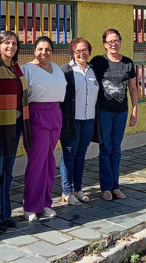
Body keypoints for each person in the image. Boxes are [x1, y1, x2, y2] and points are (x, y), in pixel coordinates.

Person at [0, 31, 31, 232]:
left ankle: (5, 214)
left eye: (14, 43)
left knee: (8, 172)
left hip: (15, 125)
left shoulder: (17, 67)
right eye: (7, 43)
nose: (10, 46)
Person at [21, 36, 67, 221]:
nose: (44, 53)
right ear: (34, 50)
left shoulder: (55, 67)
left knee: (49, 162)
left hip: (55, 114)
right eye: (40, 49)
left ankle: (45, 203)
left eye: (47, 49)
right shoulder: (27, 69)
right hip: (36, 115)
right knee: (36, 162)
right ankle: (31, 206)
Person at [90, 28, 139, 201]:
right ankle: (106, 187)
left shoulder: (128, 63)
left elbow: (133, 88)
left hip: (121, 112)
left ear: (120, 41)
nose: (113, 43)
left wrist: (134, 110)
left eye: (116, 40)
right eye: (110, 41)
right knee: (106, 148)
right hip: (103, 111)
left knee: (116, 149)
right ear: (104, 44)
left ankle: (115, 186)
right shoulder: (97, 61)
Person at [60, 37, 100, 205]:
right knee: (69, 155)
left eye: (85, 50)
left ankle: (78, 189)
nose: (81, 53)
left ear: (89, 51)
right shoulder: (66, 71)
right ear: (72, 52)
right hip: (71, 121)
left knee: (81, 155)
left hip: (89, 120)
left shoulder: (93, 70)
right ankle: (66, 191)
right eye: (78, 50)